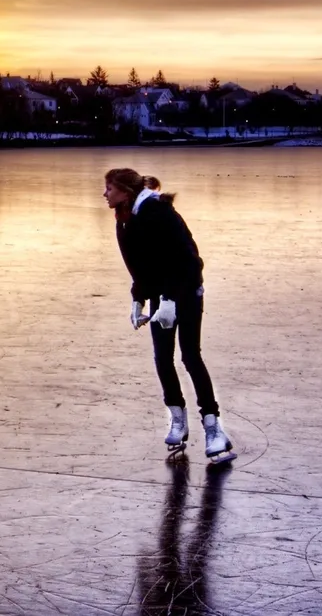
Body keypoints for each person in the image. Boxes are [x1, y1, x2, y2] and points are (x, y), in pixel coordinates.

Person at [103, 168, 234, 462]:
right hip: (160, 296)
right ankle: (177, 417)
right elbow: (140, 266)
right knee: (162, 358)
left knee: (190, 356)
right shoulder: (124, 220)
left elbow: (190, 261)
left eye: (109, 188)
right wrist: (138, 299)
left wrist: (172, 299)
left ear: (125, 190)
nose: (105, 194)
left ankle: (214, 428)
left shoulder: (159, 213)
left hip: (186, 292)